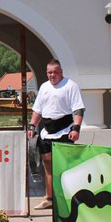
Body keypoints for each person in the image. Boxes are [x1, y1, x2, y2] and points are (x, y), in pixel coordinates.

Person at [28, 59, 85, 210]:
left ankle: (69, 198)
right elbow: (38, 110)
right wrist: (32, 125)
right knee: (47, 164)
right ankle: (49, 198)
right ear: (47, 73)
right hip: (47, 132)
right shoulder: (44, 87)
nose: (52, 75)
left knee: (65, 166)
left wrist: (76, 129)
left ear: (61, 72)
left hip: (65, 130)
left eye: (55, 72)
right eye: (49, 72)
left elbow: (78, 109)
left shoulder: (70, 86)